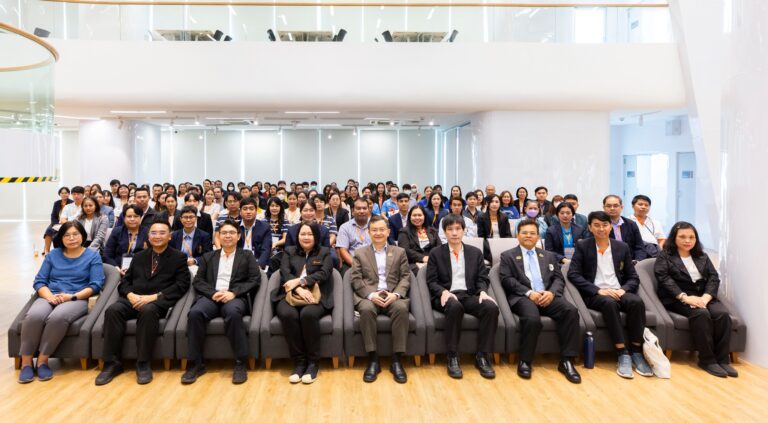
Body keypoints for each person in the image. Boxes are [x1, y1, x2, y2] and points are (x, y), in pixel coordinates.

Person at [96, 220, 190, 386]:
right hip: (134, 299)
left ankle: (143, 363)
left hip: (157, 302)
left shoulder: (179, 257)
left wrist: (154, 297)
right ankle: (112, 363)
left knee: (148, 311)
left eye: (162, 233)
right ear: (148, 236)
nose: (157, 236)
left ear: (170, 236)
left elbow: (181, 285)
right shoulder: (139, 256)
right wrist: (130, 294)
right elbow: (125, 281)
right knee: (113, 310)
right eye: (154, 233)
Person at [567, 211, 653, 379]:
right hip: (596, 293)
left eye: (605, 225)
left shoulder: (622, 247)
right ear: (590, 227)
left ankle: (636, 351)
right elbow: (573, 274)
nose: (601, 229)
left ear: (610, 227)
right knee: (609, 304)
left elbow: (633, 276)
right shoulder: (583, 246)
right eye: (597, 225)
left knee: (636, 302)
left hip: (618, 290)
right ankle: (622, 353)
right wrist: (597, 290)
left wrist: (623, 289)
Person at [18, 221, 105, 383]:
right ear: (61, 238)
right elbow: (39, 281)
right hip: (50, 295)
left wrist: (72, 297)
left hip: (76, 297)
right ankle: (26, 363)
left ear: (82, 236)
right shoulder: (53, 255)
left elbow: (95, 285)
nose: (72, 238)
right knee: (34, 316)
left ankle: (43, 361)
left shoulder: (93, 255)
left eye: (75, 234)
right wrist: (49, 297)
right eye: (67, 235)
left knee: (58, 317)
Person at [499, 219, 581, 383]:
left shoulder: (548, 255)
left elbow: (558, 279)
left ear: (538, 236)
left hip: (547, 295)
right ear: (517, 235)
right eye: (524, 233)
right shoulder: (508, 255)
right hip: (524, 296)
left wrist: (551, 293)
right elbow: (507, 279)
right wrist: (529, 293)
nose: (528, 236)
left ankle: (566, 361)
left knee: (570, 312)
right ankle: (525, 360)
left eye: (532, 233)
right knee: (532, 319)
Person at [181, 219, 261, 385]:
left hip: (234, 297)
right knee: (195, 313)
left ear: (238, 236)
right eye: (224, 233)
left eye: (231, 232)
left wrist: (233, 293)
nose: (227, 236)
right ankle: (196, 364)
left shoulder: (247, 256)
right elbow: (198, 281)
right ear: (218, 236)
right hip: (212, 296)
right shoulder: (208, 256)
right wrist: (213, 293)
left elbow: (255, 279)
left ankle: (240, 363)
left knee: (233, 313)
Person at [654, 222, 737, 378]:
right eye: (683, 237)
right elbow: (664, 279)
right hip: (677, 297)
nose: (687, 240)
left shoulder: (702, 256)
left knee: (722, 314)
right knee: (701, 314)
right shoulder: (665, 256)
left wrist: (706, 297)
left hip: (704, 295)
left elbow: (713, 277)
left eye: (691, 237)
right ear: (674, 238)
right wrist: (685, 297)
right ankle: (707, 360)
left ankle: (723, 360)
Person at [427, 214, 498, 379]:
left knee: (491, 308)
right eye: (450, 229)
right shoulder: (436, 253)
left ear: (464, 230)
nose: (454, 233)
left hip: (469, 294)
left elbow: (482, 278)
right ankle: (452, 355)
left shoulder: (475, 252)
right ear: (444, 232)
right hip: (446, 295)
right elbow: (431, 281)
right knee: (454, 306)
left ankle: (482, 356)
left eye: (458, 229)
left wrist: (482, 291)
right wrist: (443, 291)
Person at [271, 222, 334, 384]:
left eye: (310, 234)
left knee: (308, 314)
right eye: (302, 234)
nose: (306, 237)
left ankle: (313, 363)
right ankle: (299, 362)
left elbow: (324, 273)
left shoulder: (325, 252)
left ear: (316, 236)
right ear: (297, 236)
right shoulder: (289, 251)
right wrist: (299, 290)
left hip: (316, 295)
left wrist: (301, 281)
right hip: (289, 294)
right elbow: (285, 273)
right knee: (288, 314)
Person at [350, 216, 411, 383]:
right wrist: (371, 295)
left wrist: (396, 294)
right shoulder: (360, 253)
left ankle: (396, 361)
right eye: (374, 230)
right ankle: (373, 360)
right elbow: (356, 279)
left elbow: (406, 277)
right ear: (369, 233)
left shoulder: (399, 252)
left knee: (401, 309)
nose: (378, 233)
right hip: (369, 295)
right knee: (366, 309)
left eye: (381, 229)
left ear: (388, 232)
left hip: (392, 294)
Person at [600, 195, 648, 261]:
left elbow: (640, 247)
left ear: (621, 207)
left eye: (615, 206)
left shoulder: (631, 224)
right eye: (609, 206)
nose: (612, 208)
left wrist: (638, 261)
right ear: (604, 208)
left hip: (630, 261)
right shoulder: (599, 225)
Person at [103, 205, 149, 272]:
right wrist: (117, 269)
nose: (132, 219)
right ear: (124, 218)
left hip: (140, 270)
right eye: (129, 216)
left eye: (136, 216)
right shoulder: (117, 231)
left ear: (140, 217)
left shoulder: (147, 232)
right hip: (119, 268)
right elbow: (107, 255)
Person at [398, 205, 441, 275]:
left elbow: (439, 247)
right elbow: (405, 250)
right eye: (414, 215)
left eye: (420, 215)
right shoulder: (404, 232)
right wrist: (422, 258)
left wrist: (431, 259)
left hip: (432, 261)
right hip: (413, 263)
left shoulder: (432, 231)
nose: (417, 218)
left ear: (424, 216)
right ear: (410, 217)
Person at [336, 198, 373, 275]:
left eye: (364, 208)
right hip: (352, 264)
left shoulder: (375, 225)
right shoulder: (345, 227)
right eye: (358, 208)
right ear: (353, 211)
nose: (362, 211)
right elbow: (343, 250)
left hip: (374, 264)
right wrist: (358, 266)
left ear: (368, 210)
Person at [236, 197, 272, 269]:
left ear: (256, 211)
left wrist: (258, 267)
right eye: (245, 209)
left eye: (251, 209)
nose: (248, 212)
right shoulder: (235, 227)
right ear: (240, 212)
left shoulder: (265, 227)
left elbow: (266, 250)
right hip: (238, 263)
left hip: (257, 262)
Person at [42, 186, 73, 255]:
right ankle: (47, 250)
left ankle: (60, 251)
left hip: (66, 223)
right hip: (56, 222)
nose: (64, 194)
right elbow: (53, 215)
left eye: (66, 193)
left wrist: (64, 223)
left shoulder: (72, 203)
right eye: (62, 193)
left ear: (68, 194)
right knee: (48, 231)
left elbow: (71, 216)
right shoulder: (56, 203)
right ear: (60, 194)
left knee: (59, 233)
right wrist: (55, 224)